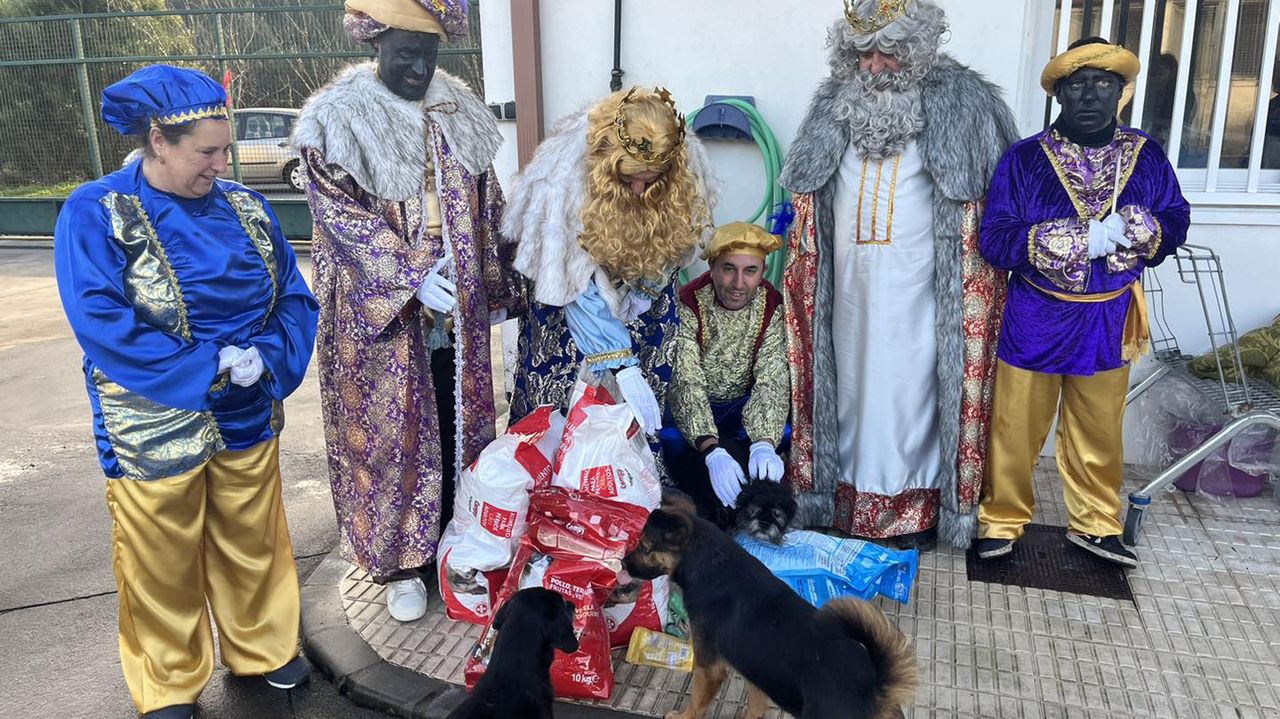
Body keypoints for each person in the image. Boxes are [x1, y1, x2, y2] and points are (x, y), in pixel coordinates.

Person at [53, 65, 319, 719]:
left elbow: (294, 295)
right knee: (161, 557)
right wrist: (207, 366)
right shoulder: (97, 212)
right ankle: (168, 679)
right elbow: (103, 323)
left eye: (224, 148)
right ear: (158, 141)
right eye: (207, 151)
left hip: (248, 411)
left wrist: (268, 356)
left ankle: (262, 644)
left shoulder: (249, 208)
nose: (221, 163)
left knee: (253, 537)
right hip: (152, 419)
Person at [292, 0, 523, 622]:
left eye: (429, 54)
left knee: (454, 420)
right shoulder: (339, 120)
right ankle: (401, 563)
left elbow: (487, 202)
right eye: (405, 55)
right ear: (377, 45)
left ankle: (457, 540)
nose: (419, 67)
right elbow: (339, 219)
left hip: (455, 308)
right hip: (383, 315)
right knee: (393, 436)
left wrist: (498, 286)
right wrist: (410, 279)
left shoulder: (457, 108)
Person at [780, 0, 1019, 549]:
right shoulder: (830, 107)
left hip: (926, 295)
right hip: (846, 293)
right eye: (862, 53)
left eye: (887, 51)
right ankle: (841, 499)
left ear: (916, 47)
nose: (874, 65)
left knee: (912, 395)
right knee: (848, 393)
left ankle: (911, 511)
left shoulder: (966, 105)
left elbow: (996, 205)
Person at [974, 38, 1191, 567]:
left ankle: (1096, 524)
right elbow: (995, 238)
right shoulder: (1024, 159)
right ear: (1058, 94)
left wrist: (1144, 227)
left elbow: (1176, 219)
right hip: (1035, 315)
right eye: (1077, 85)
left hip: (1107, 315)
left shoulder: (1147, 155)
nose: (1090, 95)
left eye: (1102, 84)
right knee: (1015, 425)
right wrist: (1072, 239)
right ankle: (1001, 518)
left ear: (1121, 92)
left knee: (1099, 427)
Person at [505, 86, 716, 460]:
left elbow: (680, 235)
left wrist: (646, 291)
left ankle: (629, 493)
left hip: (641, 294)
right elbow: (570, 280)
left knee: (636, 411)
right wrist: (619, 362)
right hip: (570, 307)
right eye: (630, 177)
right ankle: (554, 498)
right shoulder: (564, 179)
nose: (639, 189)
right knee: (563, 411)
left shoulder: (686, 167)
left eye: (651, 181)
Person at [660, 222, 790, 525]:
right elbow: (686, 379)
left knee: (783, 436)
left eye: (750, 271)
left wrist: (764, 442)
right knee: (670, 443)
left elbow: (772, 375)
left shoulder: (770, 304)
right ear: (712, 267)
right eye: (728, 269)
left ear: (763, 271)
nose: (738, 283)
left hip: (741, 413)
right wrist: (710, 448)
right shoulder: (690, 302)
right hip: (696, 417)